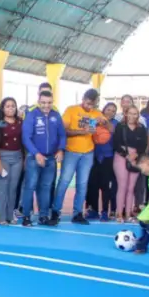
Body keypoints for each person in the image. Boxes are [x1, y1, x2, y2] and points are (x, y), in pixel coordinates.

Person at [52, 88, 107, 225]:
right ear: (83, 99)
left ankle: (77, 213)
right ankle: (55, 212)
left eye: (92, 105)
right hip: (71, 151)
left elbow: (109, 128)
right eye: (87, 103)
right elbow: (63, 130)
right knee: (64, 181)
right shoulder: (71, 110)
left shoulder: (96, 113)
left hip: (88, 153)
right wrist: (82, 132)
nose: (89, 107)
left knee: (82, 184)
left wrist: (104, 122)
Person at [21, 90, 65, 227]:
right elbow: (26, 137)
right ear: (39, 101)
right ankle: (26, 216)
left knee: (45, 188)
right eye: (44, 102)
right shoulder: (31, 115)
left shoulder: (56, 116)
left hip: (50, 159)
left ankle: (43, 216)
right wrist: (36, 153)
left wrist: (61, 149)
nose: (46, 106)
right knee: (30, 186)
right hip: (34, 158)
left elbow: (62, 135)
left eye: (49, 103)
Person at [113, 106, 147, 223]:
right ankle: (119, 214)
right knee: (122, 186)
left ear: (138, 115)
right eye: (130, 113)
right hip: (121, 157)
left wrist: (135, 155)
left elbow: (143, 145)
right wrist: (126, 155)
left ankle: (128, 214)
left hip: (136, 159)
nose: (132, 116)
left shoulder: (141, 128)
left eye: (135, 114)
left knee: (131, 188)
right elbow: (116, 144)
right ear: (126, 114)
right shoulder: (120, 126)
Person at [0, 97, 24, 225]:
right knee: (3, 187)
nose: (11, 108)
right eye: (8, 106)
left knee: (13, 187)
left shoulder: (20, 122)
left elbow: (24, 141)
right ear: (2, 108)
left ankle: (10, 215)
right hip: (2, 157)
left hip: (18, 158)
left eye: (13, 106)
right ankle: (1, 216)